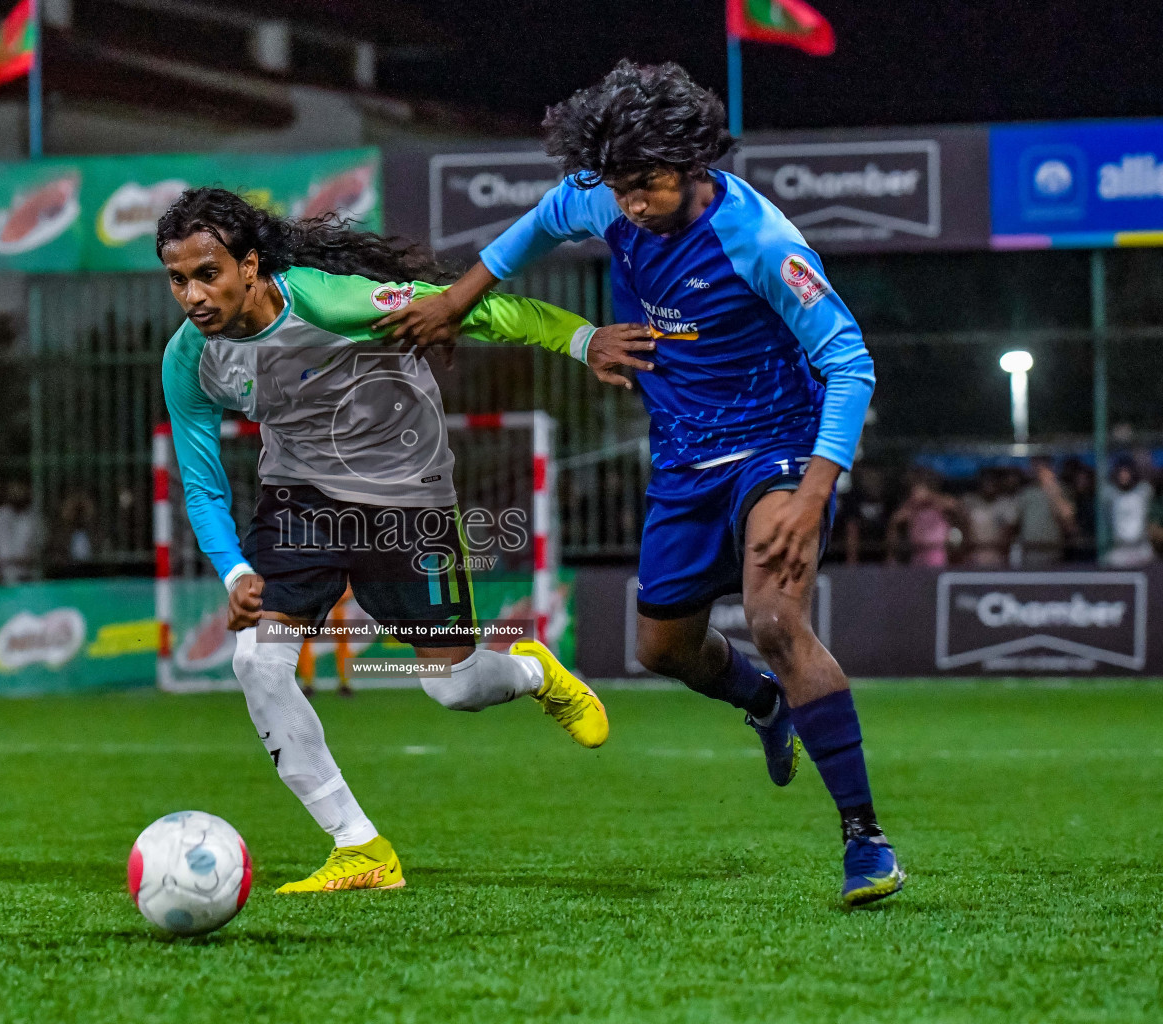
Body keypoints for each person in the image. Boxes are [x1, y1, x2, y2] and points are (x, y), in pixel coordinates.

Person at [379, 62, 901, 906]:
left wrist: (809, 494)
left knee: (773, 617)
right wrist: (454, 301)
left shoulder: (760, 241)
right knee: (662, 651)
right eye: (619, 187)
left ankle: (865, 840)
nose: (630, 204)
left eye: (647, 186)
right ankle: (763, 705)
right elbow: (534, 228)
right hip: (685, 457)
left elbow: (850, 363)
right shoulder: (606, 195)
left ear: (694, 165)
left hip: (777, 444)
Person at [158, 187, 618, 894]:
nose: (192, 294)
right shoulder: (189, 360)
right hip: (300, 503)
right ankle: (358, 846)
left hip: (410, 499)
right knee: (257, 662)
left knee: (453, 687)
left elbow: (476, 308)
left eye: (207, 274)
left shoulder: (329, 303)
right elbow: (203, 484)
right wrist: (233, 571)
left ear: (250, 267)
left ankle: (531, 672)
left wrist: (582, 340)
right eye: (177, 279)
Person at [886, 471, 962, 567]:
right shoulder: (910, 507)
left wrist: (930, 498)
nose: (916, 493)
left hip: (938, 554)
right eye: (914, 490)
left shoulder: (941, 504)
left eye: (919, 489)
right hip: (917, 554)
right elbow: (896, 520)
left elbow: (955, 507)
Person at [1012, 456, 1076, 567]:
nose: (1038, 470)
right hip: (1030, 553)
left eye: (1042, 467)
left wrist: (1052, 489)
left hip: (1054, 552)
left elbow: (1068, 519)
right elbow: (1015, 523)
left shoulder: (1062, 490)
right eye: (1035, 466)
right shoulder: (1025, 492)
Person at [0, 481, 44, 584]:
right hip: (3, 576)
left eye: (21, 490)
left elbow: (42, 546)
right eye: (14, 490)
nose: (17, 494)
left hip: (29, 576)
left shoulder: (35, 518)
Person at [1102, 457, 1155, 568]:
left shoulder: (1144, 491)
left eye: (1126, 472)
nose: (1124, 476)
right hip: (1119, 549)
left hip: (1141, 548)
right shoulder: (1110, 494)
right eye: (1121, 472)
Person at [961, 467, 1018, 567]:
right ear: (979, 483)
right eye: (986, 481)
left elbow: (1008, 534)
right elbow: (964, 528)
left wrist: (997, 548)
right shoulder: (969, 501)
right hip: (973, 556)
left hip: (998, 558)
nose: (989, 484)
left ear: (999, 483)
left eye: (992, 481)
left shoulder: (1007, 504)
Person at [838, 465, 890, 564]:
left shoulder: (889, 501)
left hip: (882, 560)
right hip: (853, 561)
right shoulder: (852, 500)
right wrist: (852, 563)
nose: (872, 481)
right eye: (869, 476)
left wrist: (891, 559)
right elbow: (851, 528)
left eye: (876, 477)